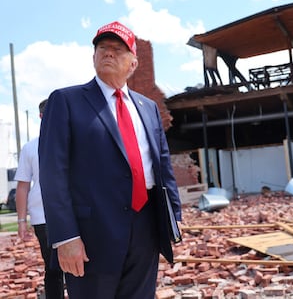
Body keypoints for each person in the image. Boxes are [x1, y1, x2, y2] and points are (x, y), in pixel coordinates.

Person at [38, 21, 182, 299]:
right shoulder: (66, 102)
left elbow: (163, 167)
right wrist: (66, 237)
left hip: (146, 228)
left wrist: (173, 217)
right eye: (102, 48)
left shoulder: (148, 107)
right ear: (93, 57)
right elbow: (52, 174)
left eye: (118, 49)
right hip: (92, 234)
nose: (108, 53)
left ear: (133, 63)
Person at [15, 99, 65, 299]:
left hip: (75, 213)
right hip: (43, 217)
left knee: (80, 267)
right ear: (42, 116)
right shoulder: (30, 148)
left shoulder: (74, 142)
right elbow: (23, 185)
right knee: (53, 268)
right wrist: (21, 221)